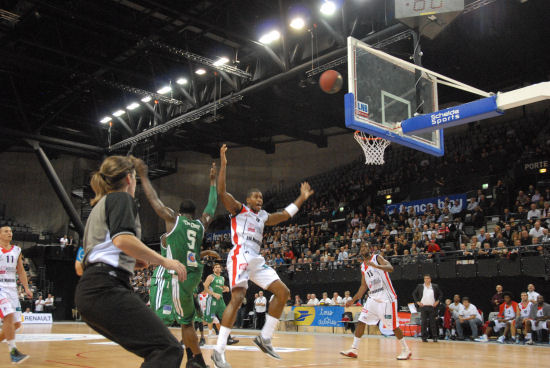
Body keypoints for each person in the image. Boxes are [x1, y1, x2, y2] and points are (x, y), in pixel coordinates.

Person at [74, 155, 187, 368]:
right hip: (106, 288)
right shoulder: (121, 199)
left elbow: (80, 266)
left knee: (157, 350)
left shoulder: (97, 209)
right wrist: (164, 260)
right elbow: (122, 239)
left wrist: (130, 260)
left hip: (89, 291)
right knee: (168, 349)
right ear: (129, 178)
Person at [211, 144, 314, 368]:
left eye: (261, 198)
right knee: (237, 299)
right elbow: (221, 193)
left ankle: (264, 337)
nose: (259, 200)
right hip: (239, 255)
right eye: (255, 197)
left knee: (283, 291)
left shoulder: (264, 216)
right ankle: (218, 351)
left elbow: (285, 215)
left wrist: (301, 198)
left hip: (255, 259)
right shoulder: (239, 209)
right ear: (247, 200)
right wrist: (223, 165)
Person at [137, 159, 219, 368]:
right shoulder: (201, 225)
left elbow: (155, 202)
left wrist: (144, 176)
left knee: (162, 322)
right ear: (194, 213)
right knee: (187, 321)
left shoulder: (174, 220)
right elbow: (212, 206)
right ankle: (196, 361)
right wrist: (212, 182)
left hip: (176, 277)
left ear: (180, 212)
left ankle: (158, 358)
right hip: (194, 278)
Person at [340, 244, 411, 360]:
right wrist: (353, 300)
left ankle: (406, 350)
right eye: (362, 248)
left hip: (386, 297)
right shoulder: (363, 266)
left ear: (370, 249)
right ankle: (354, 349)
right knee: (361, 320)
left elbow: (390, 268)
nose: (364, 249)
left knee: (393, 326)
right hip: (372, 297)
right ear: (360, 252)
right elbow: (363, 286)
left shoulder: (377, 258)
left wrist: (375, 266)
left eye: (366, 247)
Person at [0, 225, 32, 363]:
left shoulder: (17, 250)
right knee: (8, 315)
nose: (9, 233)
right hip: (0, 287)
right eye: (6, 231)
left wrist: (26, 287)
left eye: (10, 231)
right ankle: (13, 352)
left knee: (17, 324)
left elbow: (20, 270)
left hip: (12, 288)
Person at [203, 264, 238, 344]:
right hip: (212, 299)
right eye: (215, 267)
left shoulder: (222, 278)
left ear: (221, 269)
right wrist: (213, 294)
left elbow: (220, 288)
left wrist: (225, 289)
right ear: (213, 269)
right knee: (207, 319)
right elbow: (205, 287)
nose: (217, 268)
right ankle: (196, 330)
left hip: (220, 299)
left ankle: (228, 338)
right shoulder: (211, 277)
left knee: (225, 318)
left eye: (219, 267)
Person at [412, 274, 443, 342]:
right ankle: (424, 337)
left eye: (428, 278)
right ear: (424, 279)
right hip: (423, 307)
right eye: (425, 278)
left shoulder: (435, 286)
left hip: (432, 307)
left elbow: (441, 294)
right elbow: (414, 293)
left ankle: (435, 337)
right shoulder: (420, 286)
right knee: (424, 323)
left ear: (430, 279)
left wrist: (437, 301)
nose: (426, 279)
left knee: (433, 323)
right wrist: (417, 302)